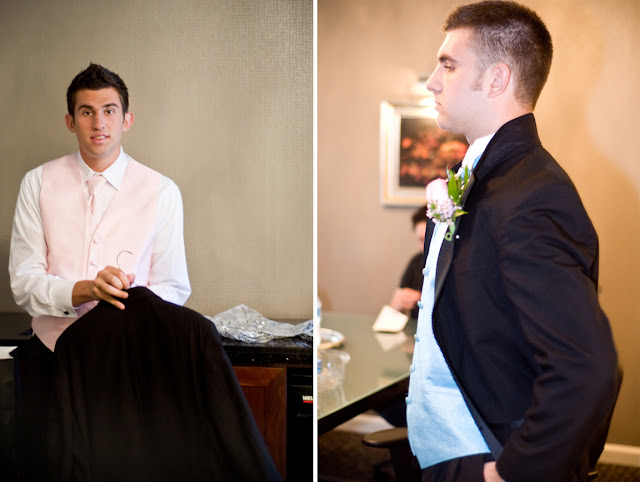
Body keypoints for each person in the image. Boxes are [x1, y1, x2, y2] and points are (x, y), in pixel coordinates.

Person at [405, 2, 619, 482]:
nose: (432, 82)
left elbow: (587, 367)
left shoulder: (533, 194)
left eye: (448, 65)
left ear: (496, 79)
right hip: (448, 450)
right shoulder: (486, 176)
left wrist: (509, 473)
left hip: (486, 454)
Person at [9, 63, 191, 481]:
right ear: (70, 121)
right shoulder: (37, 183)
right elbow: (23, 282)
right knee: (46, 469)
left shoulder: (162, 192)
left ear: (127, 120)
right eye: (86, 112)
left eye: (109, 110)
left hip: (128, 364)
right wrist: (86, 289)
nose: (99, 123)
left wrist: (124, 304)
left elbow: (173, 287)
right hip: (50, 359)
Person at [389, 204, 428, 319]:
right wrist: (395, 306)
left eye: (428, 240)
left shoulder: (455, 267)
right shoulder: (416, 262)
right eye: (421, 240)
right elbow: (393, 315)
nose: (424, 247)